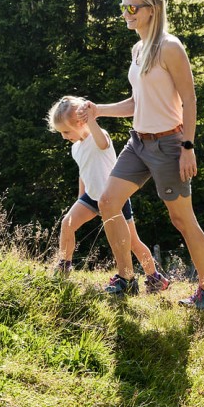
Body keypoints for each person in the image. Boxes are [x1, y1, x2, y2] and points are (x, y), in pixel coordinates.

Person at [93, 0, 204, 309]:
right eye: (123, 7)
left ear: (152, 10)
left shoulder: (170, 48)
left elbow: (189, 100)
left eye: (132, 8)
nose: (125, 14)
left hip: (168, 145)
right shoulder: (138, 49)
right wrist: (98, 110)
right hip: (138, 143)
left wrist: (187, 147)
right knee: (107, 202)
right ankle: (126, 278)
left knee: (182, 221)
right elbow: (137, 102)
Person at [47, 96, 170, 293]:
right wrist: (81, 197)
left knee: (132, 243)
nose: (63, 136)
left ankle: (155, 278)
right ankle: (64, 265)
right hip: (91, 197)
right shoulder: (75, 148)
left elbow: (103, 143)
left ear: (81, 122)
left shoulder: (99, 137)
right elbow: (83, 172)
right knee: (67, 223)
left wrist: (91, 119)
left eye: (66, 131)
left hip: (114, 198)